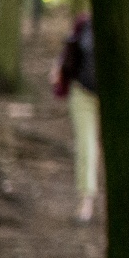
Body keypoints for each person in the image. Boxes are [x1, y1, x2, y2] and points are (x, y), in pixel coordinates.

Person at [54, 14, 99, 224]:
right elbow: (69, 52)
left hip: (116, 98)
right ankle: (86, 201)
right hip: (82, 93)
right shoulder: (84, 24)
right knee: (86, 146)